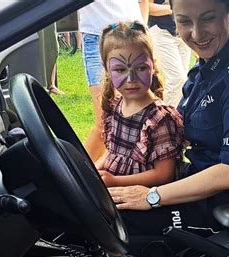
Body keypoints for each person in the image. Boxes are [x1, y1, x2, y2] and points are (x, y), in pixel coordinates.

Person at [108, 0, 229, 236]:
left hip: (225, 206)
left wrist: (151, 196)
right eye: (184, 21)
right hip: (193, 181)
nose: (196, 33)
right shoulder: (209, 65)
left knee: (114, 222)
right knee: (102, 203)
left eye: (208, 18)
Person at [94, 21, 184, 188]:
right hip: (115, 193)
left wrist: (115, 181)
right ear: (107, 70)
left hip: (143, 200)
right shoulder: (115, 107)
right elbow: (112, 153)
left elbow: (164, 174)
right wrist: (93, 172)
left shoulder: (159, 119)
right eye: (120, 70)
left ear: (153, 66)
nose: (131, 79)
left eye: (141, 68)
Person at [78, 0, 149, 161]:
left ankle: (81, 177)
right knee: (105, 122)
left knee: (138, 119)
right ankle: (77, 177)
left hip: (135, 35)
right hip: (99, 35)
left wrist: (142, 31)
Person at [148, 0, 191, 108]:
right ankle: (168, 120)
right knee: (177, 79)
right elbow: (147, 7)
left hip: (183, 32)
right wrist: (175, 7)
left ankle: (178, 116)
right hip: (161, 31)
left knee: (184, 81)